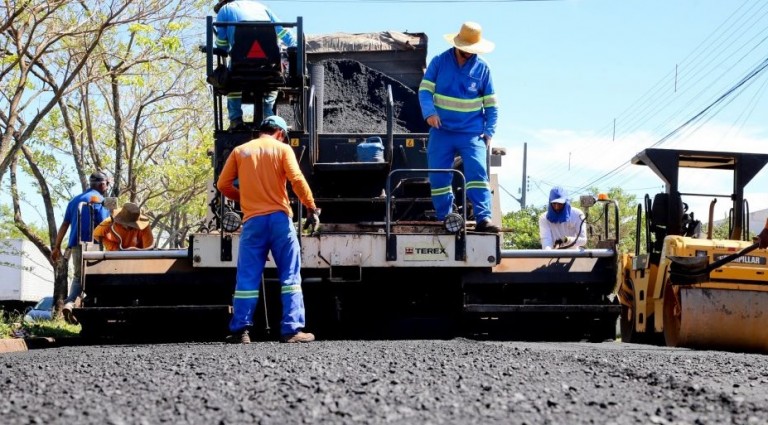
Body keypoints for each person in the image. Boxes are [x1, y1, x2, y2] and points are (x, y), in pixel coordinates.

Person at [217, 115, 319, 344]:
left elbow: (223, 185)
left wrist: (246, 198)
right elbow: (297, 179)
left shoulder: (240, 151)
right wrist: (311, 207)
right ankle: (291, 330)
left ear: (261, 130)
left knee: (247, 277)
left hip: (253, 222)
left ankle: (240, 331)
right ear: (280, 134)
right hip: (280, 222)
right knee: (290, 276)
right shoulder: (282, 150)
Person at [418, 21, 500, 233]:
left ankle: (484, 218)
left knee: (477, 173)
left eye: (471, 51)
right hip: (442, 131)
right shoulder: (439, 62)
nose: (468, 54)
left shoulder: (483, 69)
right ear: (457, 45)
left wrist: (489, 131)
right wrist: (430, 113)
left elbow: (491, 105)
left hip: (471, 133)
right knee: (438, 175)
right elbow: (425, 91)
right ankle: (445, 217)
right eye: (465, 50)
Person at [214, 0, 297, 130]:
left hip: (240, 65)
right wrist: (296, 48)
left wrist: (221, 48)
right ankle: (268, 117)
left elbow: (222, 44)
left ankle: (236, 120)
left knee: (231, 82)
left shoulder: (224, 10)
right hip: (269, 65)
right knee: (272, 80)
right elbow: (283, 32)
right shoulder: (263, 8)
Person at [51, 171, 112, 324]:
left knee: (79, 277)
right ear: (102, 184)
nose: (107, 187)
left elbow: (65, 224)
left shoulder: (75, 200)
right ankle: (78, 305)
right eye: (107, 184)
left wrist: (56, 247)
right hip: (94, 245)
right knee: (94, 277)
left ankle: (72, 304)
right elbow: (105, 225)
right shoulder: (99, 200)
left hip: (76, 246)